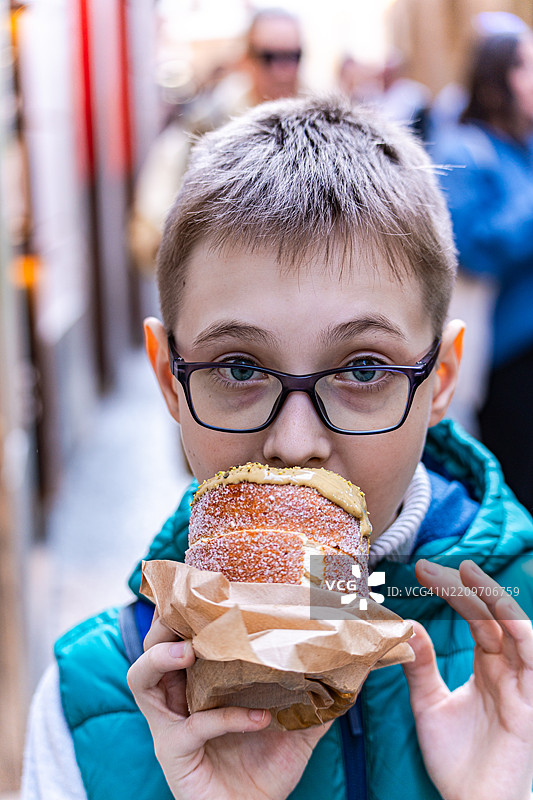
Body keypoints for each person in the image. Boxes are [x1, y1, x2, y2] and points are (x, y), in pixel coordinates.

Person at [22, 96, 533, 800]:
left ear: (440, 378)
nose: (293, 446)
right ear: (170, 379)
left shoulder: (521, 655)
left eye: (363, 370)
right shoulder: (87, 702)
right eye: (239, 368)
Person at [432, 28, 533, 512]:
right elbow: (471, 248)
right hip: (506, 358)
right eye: (526, 66)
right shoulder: (464, 149)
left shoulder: (522, 144)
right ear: (497, 78)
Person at [129, 7, 303, 275]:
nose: (283, 71)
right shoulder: (207, 124)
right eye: (268, 57)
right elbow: (151, 227)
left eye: (293, 57)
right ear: (247, 59)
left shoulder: (320, 121)